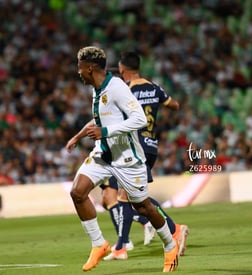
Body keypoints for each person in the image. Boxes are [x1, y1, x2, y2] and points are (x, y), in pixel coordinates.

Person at [66, 46, 179, 272]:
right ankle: (99, 244)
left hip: (126, 158)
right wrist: (78, 136)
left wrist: (106, 133)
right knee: (77, 192)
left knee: (143, 207)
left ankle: (170, 244)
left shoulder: (117, 87)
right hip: (103, 153)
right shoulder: (96, 89)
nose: (78, 73)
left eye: (79, 68)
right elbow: (100, 119)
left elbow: (140, 120)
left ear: (89, 68)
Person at [102, 51, 189, 261]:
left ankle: (171, 231)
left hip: (133, 147)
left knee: (129, 197)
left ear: (122, 70)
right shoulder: (153, 86)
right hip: (151, 146)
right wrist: (155, 103)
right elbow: (175, 105)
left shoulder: (126, 90)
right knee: (132, 198)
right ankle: (123, 246)